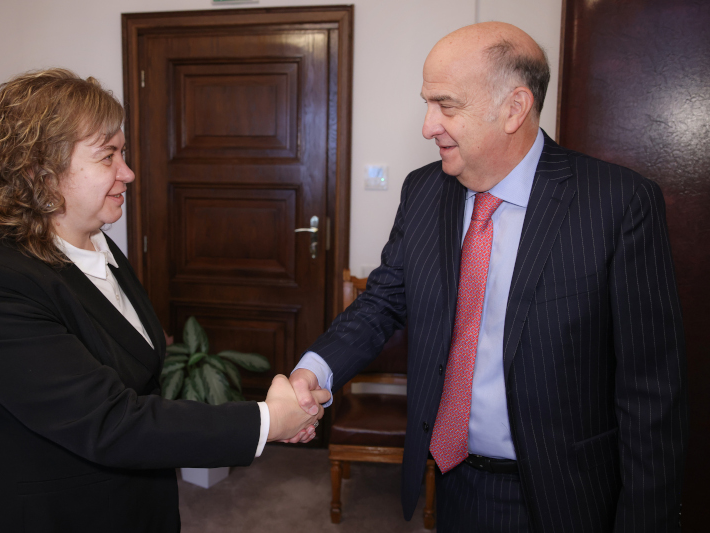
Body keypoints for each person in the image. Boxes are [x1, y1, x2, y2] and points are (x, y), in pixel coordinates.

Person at [289, 22, 687, 533]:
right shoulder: (423, 191)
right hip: (454, 481)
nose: (428, 126)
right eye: (427, 103)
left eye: (446, 105)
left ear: (514, 108)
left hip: (568, 493)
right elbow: (382, 302)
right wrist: (315, 370)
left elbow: (652, 390)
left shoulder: (618, 203)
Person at [0, 68, 328, 533]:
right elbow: (109, 422)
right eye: (108, 156)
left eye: (122, 153)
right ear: (40, 171)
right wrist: (268, 420)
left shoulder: (98, 244)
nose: (128, 173)